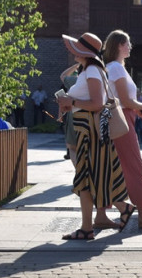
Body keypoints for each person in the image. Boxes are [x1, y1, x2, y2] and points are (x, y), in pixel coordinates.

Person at [57, 33, 134, 240]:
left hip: (90, 132)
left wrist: (71, 102)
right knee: (94, 177)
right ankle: (117, 210)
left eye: (75, 48)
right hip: (89, 131)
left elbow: (97, 103)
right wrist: (69, 103)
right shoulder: (90, 69)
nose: (71, 51)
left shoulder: (91, 69)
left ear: (83, 51)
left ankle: (87, 227)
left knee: (85, 178)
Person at [102, 30, 142, 229]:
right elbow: (126, 101)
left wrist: (140, 116)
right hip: (121, 121)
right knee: (134, 166)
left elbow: (123, 101)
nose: (130, 46)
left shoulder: (116, 67)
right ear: (119, 45)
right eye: (127, 43)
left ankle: (101, 215)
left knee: (116, 166)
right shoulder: (116, 68)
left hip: (121, 119)